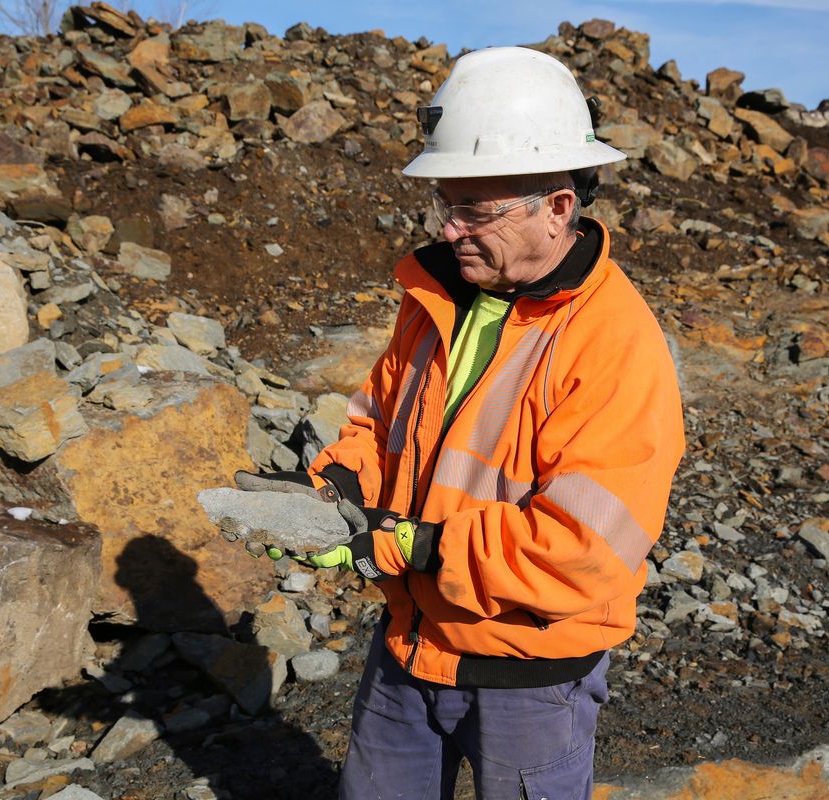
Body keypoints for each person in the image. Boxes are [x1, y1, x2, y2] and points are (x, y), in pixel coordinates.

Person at [235, 45, 685, 800]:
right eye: (445, 204)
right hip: (409, 645)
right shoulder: (438, 299)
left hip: (529, 673)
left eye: (475, 210)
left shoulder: (614, 342)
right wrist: (334, 494)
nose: (450, 230)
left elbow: (586, 549)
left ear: (558, 208)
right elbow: (377, 422)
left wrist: (420, 546)